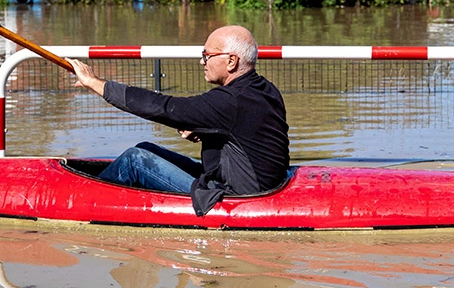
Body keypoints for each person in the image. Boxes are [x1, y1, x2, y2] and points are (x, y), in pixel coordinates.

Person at [66, 25, 289, 215]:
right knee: (146, 148)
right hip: (255, 184)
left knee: (136, 160)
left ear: (231, 61)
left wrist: (96, 83)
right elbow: (248, 135)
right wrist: (205, 132)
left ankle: (77, 205)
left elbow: (164, 108)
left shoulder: (229, 101)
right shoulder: (265, 90)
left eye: (207, 56)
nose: (202, 63)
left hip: (234, 196)